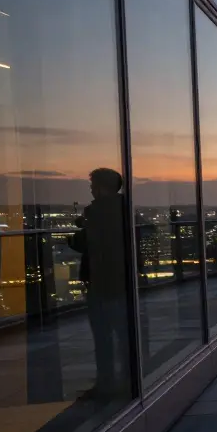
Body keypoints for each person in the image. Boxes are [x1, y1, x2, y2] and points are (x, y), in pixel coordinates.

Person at [68, 168, 129, 401]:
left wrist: (73, 237)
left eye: (93, 186)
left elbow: (88, 243)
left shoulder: (97, 212)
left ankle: (106, 383)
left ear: (102, 187)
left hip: (102, 280)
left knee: (102, 337)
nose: (91, 190)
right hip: (121, 279)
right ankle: (128, 379)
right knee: (124, 334)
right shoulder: (124, 209)